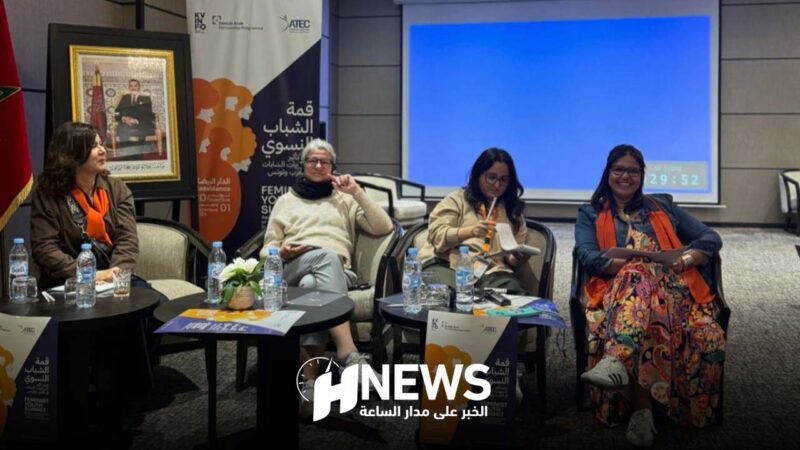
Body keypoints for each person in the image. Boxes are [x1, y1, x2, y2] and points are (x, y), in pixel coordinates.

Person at [574, 144, 725, 447]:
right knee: (637, 278)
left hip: (672, 288)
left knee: (643, 282)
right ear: (608, 173)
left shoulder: (662, 206)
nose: (625, 176)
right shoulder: (590, 213)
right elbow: (588, 256)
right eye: (619, 169)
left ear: (641, 176)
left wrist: (683, 260)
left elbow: (710, 238)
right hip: (619, 293)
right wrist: (635, 264)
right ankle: (643, 413)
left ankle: (618, 361)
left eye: (633, 171)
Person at [261, 138, 394, 417]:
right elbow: (266, 250)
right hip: (293, 268)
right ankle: (349, 354)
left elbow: (384, 227)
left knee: (314, 283)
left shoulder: (344, 199)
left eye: (325, 161)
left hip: (337, 273)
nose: (319, 165)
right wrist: (281, 251)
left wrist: (357, 192)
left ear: (333, 166)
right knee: (324, 257)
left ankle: (310, 382)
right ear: (303, 165)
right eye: (313, 161)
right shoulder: (286, 201)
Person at [31, 121, 138, 289]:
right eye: (94, 146)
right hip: (68, 282)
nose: (103, 150)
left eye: (101, 144)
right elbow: (44, 248)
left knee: (154, 301)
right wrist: (88, 275)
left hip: (114, 278)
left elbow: (127, 240)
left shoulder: (117, 189)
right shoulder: (49, 194)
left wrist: (115, 273)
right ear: (72, 154)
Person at [419, 148, 530, 293]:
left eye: (503, 180)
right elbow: (437, 235)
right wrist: (471, 231)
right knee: (448, 295)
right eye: (491, 177)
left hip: (490, 271)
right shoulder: (457, 199)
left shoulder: (513, 211)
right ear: (478, 175)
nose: (497, 185)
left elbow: (510, 257)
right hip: (447, 263)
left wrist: (517, 258)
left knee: (514, 293)